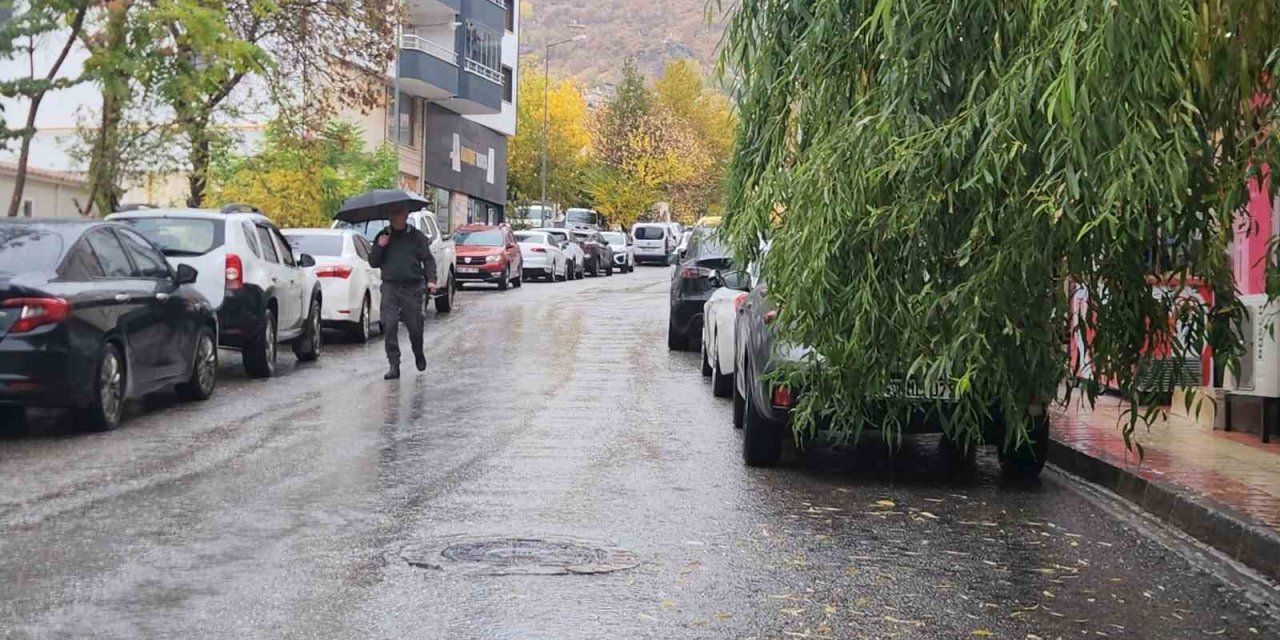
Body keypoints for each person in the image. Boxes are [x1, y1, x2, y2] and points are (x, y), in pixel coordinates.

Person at [368, 207, 438, 380]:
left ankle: (418, 352)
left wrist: (431, 280)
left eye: (396, 213)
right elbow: (373, 262)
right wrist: (379, 246)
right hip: (390, 286)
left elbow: (428, 260)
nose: (393, 217)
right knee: (389, 325)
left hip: (412, 287)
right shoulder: (383, 236)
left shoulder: (417, 237)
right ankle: (394, 364)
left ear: (405, 216)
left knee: (415, 327)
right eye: (391, 214)